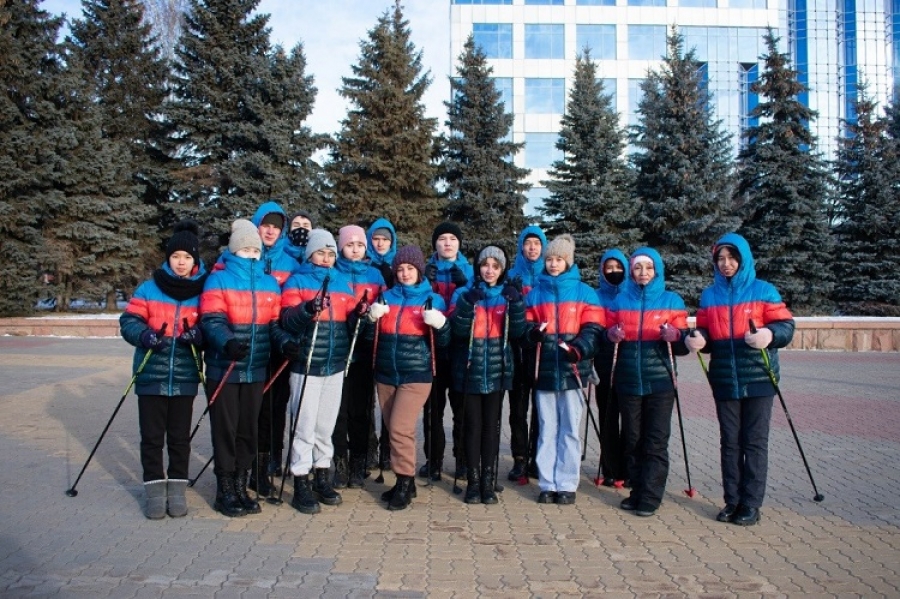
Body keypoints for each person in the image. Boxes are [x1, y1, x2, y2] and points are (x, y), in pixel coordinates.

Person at [687, 232, 795, 526]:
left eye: (731, 258)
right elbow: (706, 332)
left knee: (754, 442)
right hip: (724, 379)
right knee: (730, 442)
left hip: (759, 377)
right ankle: (731, 500)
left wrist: (769, 334)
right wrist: (698, 338)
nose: (726, 264)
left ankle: (750, 504)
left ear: (743, 258)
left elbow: (786, 325)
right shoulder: (710, 295)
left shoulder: (764, 290)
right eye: (720, 259)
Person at [120, 220, 208, 519]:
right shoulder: (150, 287)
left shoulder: (203, 291)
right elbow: (129, 321)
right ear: (168, 258)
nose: (181, 262)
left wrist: (200, 336)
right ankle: (155, 491)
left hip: (184, 376)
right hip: (151, 373)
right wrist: (144, 335)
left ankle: (177, 490)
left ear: (195, 260)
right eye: (176, 257)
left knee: (180, 437)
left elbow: (212, 325)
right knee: (153, 436)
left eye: (186, 257)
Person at [200, 219, 284, 518]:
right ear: (235, 250)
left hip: (255, 367)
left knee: (248, 430)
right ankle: (224, 489)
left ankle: (241, 485)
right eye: (246, 248)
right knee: (226, 429)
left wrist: (285, 342)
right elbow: (211, 319)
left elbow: (273, 324)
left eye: (254, 249)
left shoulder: (269, 282)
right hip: (225, 367)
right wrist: (227, 343)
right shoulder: (218, 279)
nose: (251, 253)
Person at [280, 229, 362, 515]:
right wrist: (307, 308)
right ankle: (300, 479)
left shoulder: (341, 282)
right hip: (307, 363)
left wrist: (359, 312)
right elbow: (287, 319)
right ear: (310, 254)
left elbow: (351, 319)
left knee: (325, 426)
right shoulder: (298, 280)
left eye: (330, 253)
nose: (326, 258)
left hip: (334, 364)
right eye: (320, 252)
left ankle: (322, 475)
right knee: (305, 425)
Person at [522, 234, 605, 505]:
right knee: (546, 428)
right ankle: (547, 483)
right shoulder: (535, 293)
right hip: (544, 370)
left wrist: (578, 348)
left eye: (559, 259)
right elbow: (524, 327)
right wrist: (532, 334)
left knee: (569, 428)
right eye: (550, 259)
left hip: (573, 370)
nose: (553, 264)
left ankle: (567, 483)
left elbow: (594, 329)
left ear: (568, 261)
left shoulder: (585, 292)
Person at [367, 245, 451, 510]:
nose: (404, 273)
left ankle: (404, 482)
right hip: (386, 372)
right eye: (400, 269)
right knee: (392, 428)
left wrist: (441, 324)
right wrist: (371, 318)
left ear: (419, 271)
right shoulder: (385, 298)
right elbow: (370, 339)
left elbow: (445, 341)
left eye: (410, 269)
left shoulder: (432, 299)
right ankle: (407, 481)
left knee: (401, 428)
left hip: (416, 373)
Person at [608, 248, 688, 518]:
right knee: (632, 439)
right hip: (629, 379)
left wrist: (675, 335)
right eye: (638, 268)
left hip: (660, 381)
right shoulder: (620, 300)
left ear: (657, 271)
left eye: (648, 268)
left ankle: (651, 496)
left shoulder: (671, 300)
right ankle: (636, 490)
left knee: (655, 441)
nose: (643, 273)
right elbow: (607, 330)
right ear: (631, 271)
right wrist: (612, 334)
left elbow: (684, 341)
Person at [449, 246, 525, 504]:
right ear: (478, 267)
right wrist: (467, 303)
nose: (489, 270)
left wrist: (516, 303)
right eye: (485, 264)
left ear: (502, 269)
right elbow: (457, 332)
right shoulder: (463, 292)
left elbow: (517, 332)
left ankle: (489, 481)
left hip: (496, 370)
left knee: (491, 429)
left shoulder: (506, 295)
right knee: (472, 427)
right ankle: (473, 480)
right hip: (469, 370)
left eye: (495, 266)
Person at [246, 201, 301, 497]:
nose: (269, 231)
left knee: (276, 408)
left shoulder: (290, 263)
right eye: (265, 225)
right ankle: (246, 463)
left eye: (276, 227)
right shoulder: (243, 256)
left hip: (279, 345)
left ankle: (268, 463)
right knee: (251, 408)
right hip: (249, 346)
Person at [331, 225, 386, 489]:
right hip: (338, 349)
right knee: (338, 413)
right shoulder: (333, 273)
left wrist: (372, 318)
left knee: (361, 411)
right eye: (350, 244)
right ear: (341, 246)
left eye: (360, 245)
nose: (355, 249)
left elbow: (384, 309)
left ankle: (358, 463)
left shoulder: (375, 276)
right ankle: (339, 462)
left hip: (363, 352)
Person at [420, 221, 473, 481]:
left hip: (461, 350)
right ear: (435, 244)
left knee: (462, 409)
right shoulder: (424, 270)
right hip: (432, 350)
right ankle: (434, 460)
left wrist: (466, 287)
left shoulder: (471, 271)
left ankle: (462, 460)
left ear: (459, 243)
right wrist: (425, 283)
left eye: (453, 238)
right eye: (442, 239)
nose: (448, 243)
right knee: (432, 410)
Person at [504, 225, 547, 482]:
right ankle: (519, 458)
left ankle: (536, 457)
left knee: (540, 409)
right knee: (517, 409)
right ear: (521, 246)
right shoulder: (511, 275)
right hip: (516, 351)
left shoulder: (548, 274)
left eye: (537, 243)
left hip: (540, 350)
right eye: (528, 243)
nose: (532, 248)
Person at [593, 249, 629, 487]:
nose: (614, 272)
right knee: (607, 415)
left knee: (629, 417)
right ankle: (609, 467)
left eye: (618, 268)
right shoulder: (595, 296)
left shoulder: (631, 293)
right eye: (609, 267)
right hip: (604, 361)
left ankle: (627, 468)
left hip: (627, 361)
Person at [366, 217, 398, 470]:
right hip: (367, 337)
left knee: (390, 400)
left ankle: (389, 449)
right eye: (376, 239)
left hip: (390, 341)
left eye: (385, 239)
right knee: (366, 399)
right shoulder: (364, 264)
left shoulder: (400, 265)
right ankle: (369, 447)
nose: (380, 243)